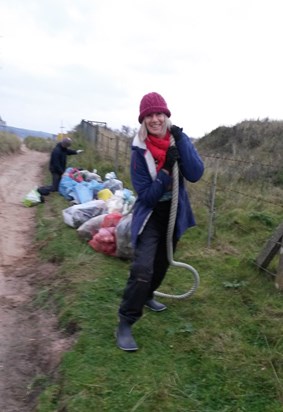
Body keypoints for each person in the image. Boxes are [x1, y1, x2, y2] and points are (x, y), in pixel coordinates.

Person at [116, 92, 204, 351]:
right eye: (150, 115)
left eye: (159, 114)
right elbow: (147, 196)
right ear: (143, 120)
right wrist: (165, 171)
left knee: (163, 263)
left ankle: (148, 294)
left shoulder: (177, 140)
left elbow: (196, 173)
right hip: (151, 215)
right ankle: (125, 322)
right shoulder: (138, 152)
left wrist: (182, 139)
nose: (155, 119)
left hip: (174, 213)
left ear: (166, 115)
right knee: (143, 268)